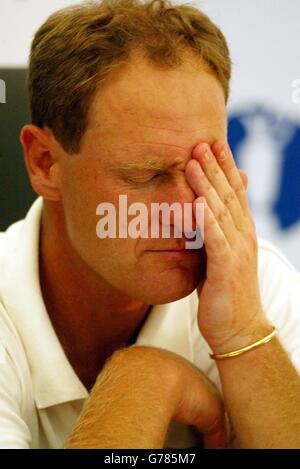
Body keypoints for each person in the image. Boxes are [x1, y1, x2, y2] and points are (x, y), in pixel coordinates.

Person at [1, 0, 300, 449]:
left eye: (207, 168)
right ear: (45, 162)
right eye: (146, 175)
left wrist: (243, 334)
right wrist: (141, 380)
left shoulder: (253, 284)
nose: (189, 213)